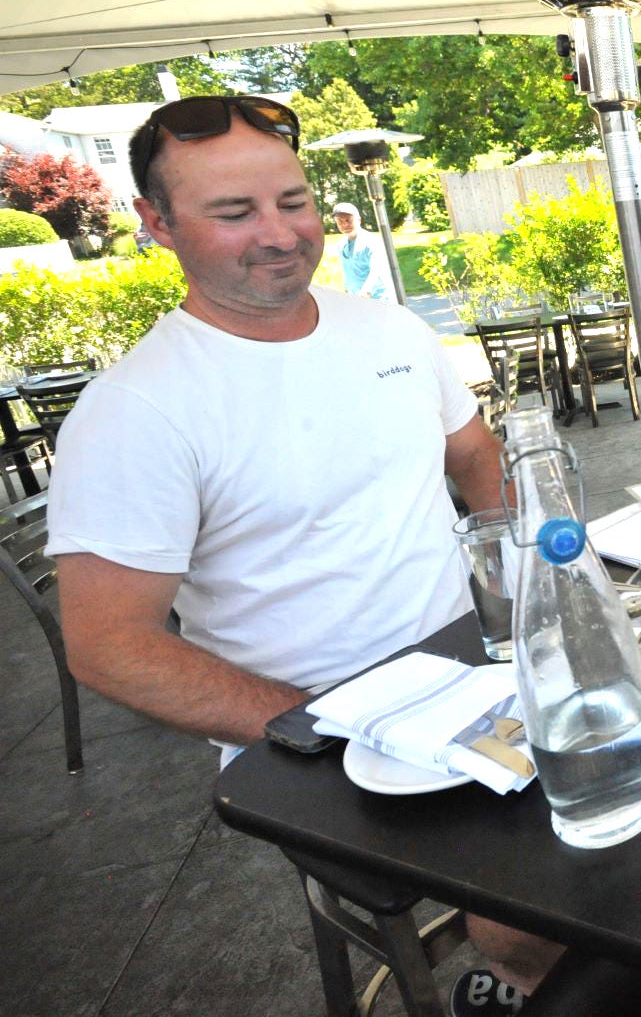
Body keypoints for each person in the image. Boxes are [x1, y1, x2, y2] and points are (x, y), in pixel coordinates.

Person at [44, 95, 551, 1013]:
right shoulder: (136, 410)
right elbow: (108, 645)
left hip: (477, 679)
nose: (280, 234)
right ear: (156, 222)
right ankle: (517, 978)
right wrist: (324, 726)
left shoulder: (390, 331)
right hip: (314, 743)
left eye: (292, 200)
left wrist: (538, 598)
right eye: (234, 212)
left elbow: (477, 459)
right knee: (539, 890)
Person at [332, 200, 398, 303]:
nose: (345, 224)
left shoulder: (371, 241)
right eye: (340, 221)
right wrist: (346, 292)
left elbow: (378, 271)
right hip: (357, 300)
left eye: (348, 220)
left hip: (379, 301)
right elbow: (347, 272)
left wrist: (365, 293)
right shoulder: (341, 244)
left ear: (359, 220)